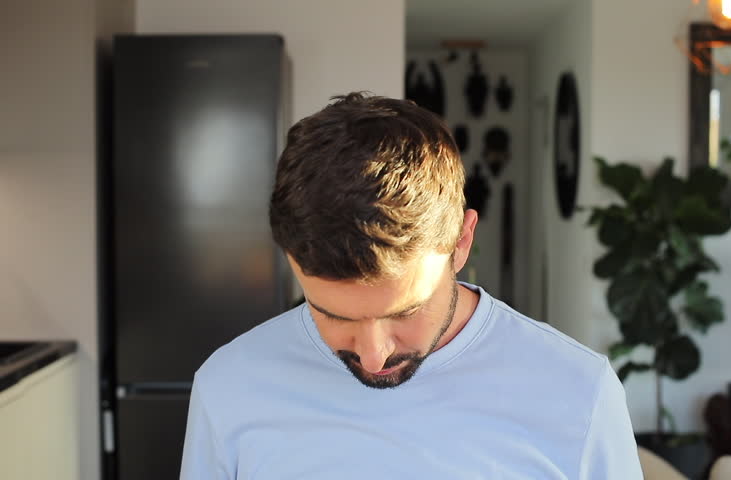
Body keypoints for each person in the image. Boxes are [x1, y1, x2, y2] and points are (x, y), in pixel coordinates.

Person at [179, 92, 643, 479]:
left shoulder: (580, 392)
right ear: (291, 262)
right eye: (334, 316)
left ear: (461, 242)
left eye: (405, 312)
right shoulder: (229, 388)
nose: (374, 354)